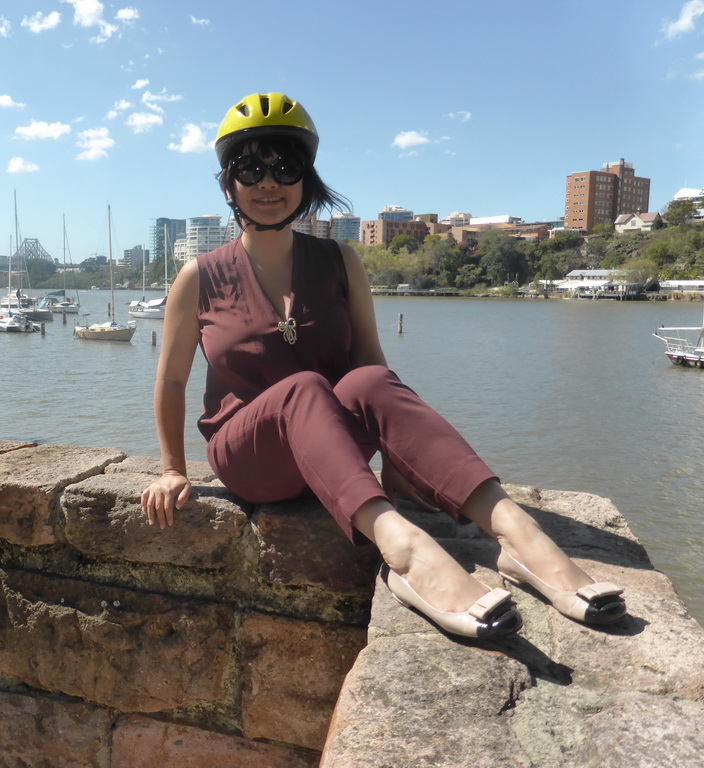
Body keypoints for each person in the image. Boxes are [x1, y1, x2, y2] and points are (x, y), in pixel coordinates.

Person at [140, 92, 625, 639]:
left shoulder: (340, 260)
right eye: (250, 168)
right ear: (228, 183)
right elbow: (173, 380)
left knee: (368, 379)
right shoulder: (199, 277)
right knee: (304, 387)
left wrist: (399, 457)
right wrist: (172, 470)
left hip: (336, 450)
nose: (268, 183)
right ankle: (407, 553)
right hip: (252, 456)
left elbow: (370, 364)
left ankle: (517, 535)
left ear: (307, 178)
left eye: (285, 166)